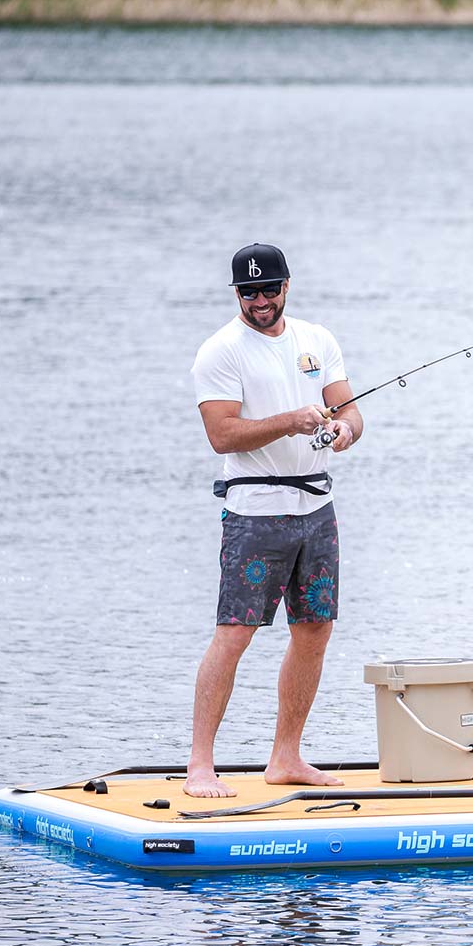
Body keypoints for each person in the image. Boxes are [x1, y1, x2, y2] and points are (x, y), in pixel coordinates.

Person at [184, 243, 363, 798]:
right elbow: (222, 435)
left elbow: (350, 411)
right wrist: (289, 422)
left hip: (316, 509)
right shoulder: (220, 352)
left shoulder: (318, 340)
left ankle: (286, 757)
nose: (259, 300)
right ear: (237, 294)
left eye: (268, 289)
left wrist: (344, 432)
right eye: (248, 292)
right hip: (255, 513)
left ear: (287, 287)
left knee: (314, 631)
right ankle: (199, 766)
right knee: (233, 634)